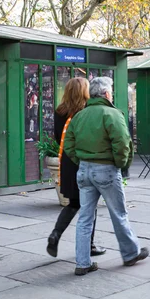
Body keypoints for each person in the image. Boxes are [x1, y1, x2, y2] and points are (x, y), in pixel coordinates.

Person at [64, 77, 148, 276]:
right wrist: (120, 164)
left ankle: (82, 263)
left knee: (85, 217)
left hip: (84, 170)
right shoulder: (112, 113)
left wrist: (82, 161)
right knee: (118, 213)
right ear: (107, 94)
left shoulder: (79, 116)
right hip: (106, 169)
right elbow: (123, 143)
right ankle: (130, 254)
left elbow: (69, 145)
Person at [46, 78, 106, 258]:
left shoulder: (60, 110)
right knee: (90, 203)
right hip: (83, 160)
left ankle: (55, 234)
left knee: (73, 202)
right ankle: (89, 245)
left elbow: (58, 137)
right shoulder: (86, 110)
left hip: (67, 160)